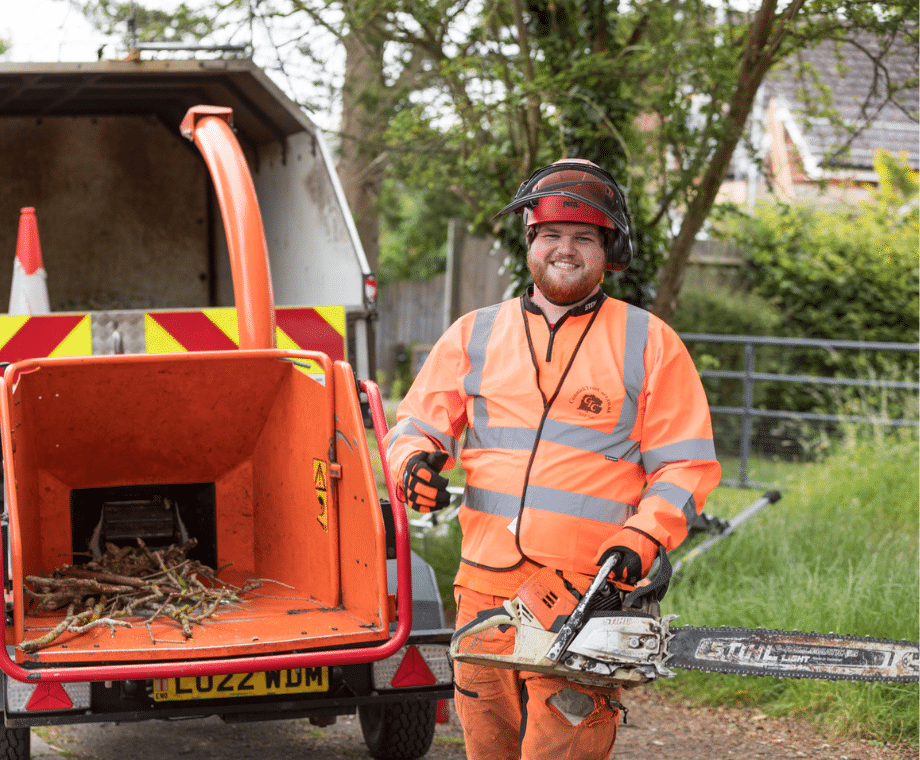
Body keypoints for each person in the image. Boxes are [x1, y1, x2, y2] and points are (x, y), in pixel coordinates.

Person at [383, 159, 721, 760]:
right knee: (487, 744)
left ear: (608, 251)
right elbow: (416, 424)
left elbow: (684, 466)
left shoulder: (650, 342)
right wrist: (414, 462)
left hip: (585, 588)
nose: (565, 249)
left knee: (562, 745)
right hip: (482, 586)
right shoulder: (474, 334)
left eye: (583, 237)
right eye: (552, 234)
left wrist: (641, 538)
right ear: (531, 242)